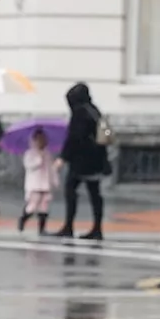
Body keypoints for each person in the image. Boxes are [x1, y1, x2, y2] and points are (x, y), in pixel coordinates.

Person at [55, 82, 111, 240]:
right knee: (95, 194)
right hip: (97, 159)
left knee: (70, 189)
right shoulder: (95, 111)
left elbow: (74, 138)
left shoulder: (79, 113)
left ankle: (69, 225)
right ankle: (97, 228)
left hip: (82, 161)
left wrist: (63, 157)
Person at [18, 128, 59, 234]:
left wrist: (54, 180)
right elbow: (29, 166)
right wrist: (38, 160)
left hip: (45, 184)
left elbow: (50, 169)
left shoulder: (47, 153)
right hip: (34, 184)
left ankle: (42, 228)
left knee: (44, 206)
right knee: (32, 205)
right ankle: (23, 219)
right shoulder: (30, 154)